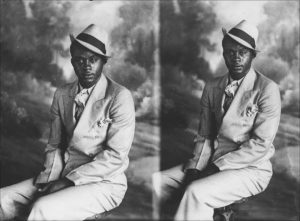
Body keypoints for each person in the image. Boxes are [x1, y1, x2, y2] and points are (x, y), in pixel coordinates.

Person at [0, 24, 135, 220]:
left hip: (105, 183)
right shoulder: (62, 94)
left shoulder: (119, 96)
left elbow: (115, 157)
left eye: (93, 60)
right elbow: (55, 146)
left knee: (42, 208)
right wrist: (50, 179)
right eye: (80, 60)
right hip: (62, 173)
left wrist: (68, 182)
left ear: (103, 62)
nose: (86, 66)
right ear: (73, 63)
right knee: (3, 198)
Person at [152, 20, 281, 220]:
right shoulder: (212, 86)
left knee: (196, 192)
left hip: (250, 168)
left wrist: (214, 168)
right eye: (230, 52)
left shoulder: (267, 88)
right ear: (223, 53)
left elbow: (259, 145)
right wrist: (195, 169)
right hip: (210, 160)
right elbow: (205, 135)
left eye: (242, 52)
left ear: (252, 55)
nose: (236, 58)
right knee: (157, 182)